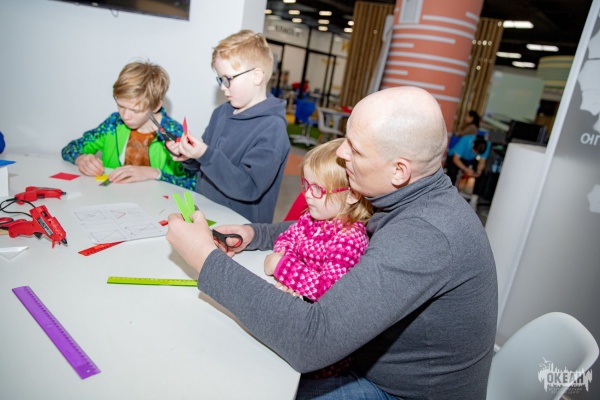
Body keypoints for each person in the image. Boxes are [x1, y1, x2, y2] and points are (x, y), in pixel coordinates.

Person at [165, 86, 498, 399]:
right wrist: (256, 235)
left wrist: (205, 259)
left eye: (355, 148)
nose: (341, 152)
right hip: (368, 364)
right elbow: (330, 227)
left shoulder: (424, 235)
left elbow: (311, 339)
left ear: (399, 170)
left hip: (395, 391)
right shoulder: (405, 196)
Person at [167, 30, 289, 223]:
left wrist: (205, 154)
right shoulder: (221, 112)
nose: (223, 87)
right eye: (220, 79)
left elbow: (249, 187)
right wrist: (189, 156)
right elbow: (205, 165)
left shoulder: (273, 128)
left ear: (256, 76)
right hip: (205, 213)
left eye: (228, 79)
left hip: (240, 228)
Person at [265, 138, 372, 301]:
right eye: (306, 185)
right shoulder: (310, 218)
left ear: (352, 195)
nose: (307, 194)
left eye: (317, 189)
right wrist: (290, 268)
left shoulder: (350, 240)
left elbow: (328, 290)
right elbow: (286, 238)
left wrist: (281, 267)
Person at [61, 61, 196, 189]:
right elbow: (70, 148)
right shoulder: (113, 124)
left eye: (135, 110)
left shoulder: (174, 134)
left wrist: (155, 173)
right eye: (121, 106)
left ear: (155, 106)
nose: (125, 116)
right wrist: (81, 159)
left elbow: (194, 183)